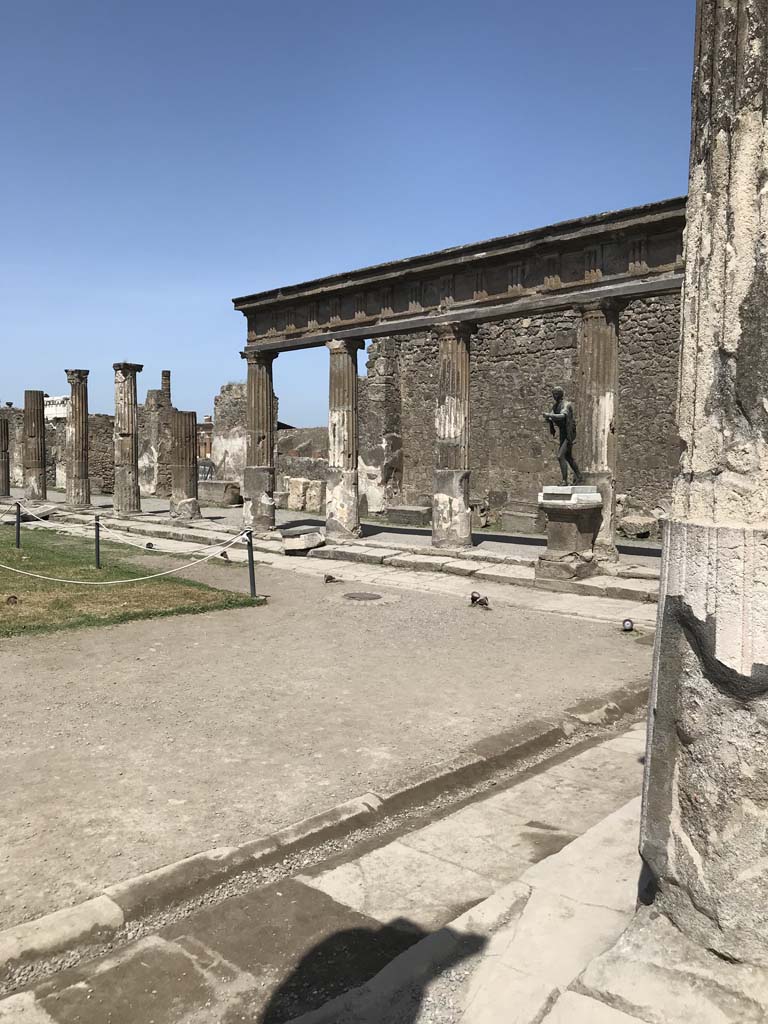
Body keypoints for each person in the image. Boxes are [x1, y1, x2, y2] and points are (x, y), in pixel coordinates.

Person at [543, 386, 582, 485]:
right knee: (568, 456)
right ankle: (579, 476)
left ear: (560, 394)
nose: (554, 396)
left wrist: (549, 416)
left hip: (569, 433)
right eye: (553, 394)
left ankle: (564, 481)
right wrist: (549, 421)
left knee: (560, 456)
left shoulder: (566, 405)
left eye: (556, 394)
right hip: (562, 432)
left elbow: (562, 416)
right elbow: (551, 417)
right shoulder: (555, 406)